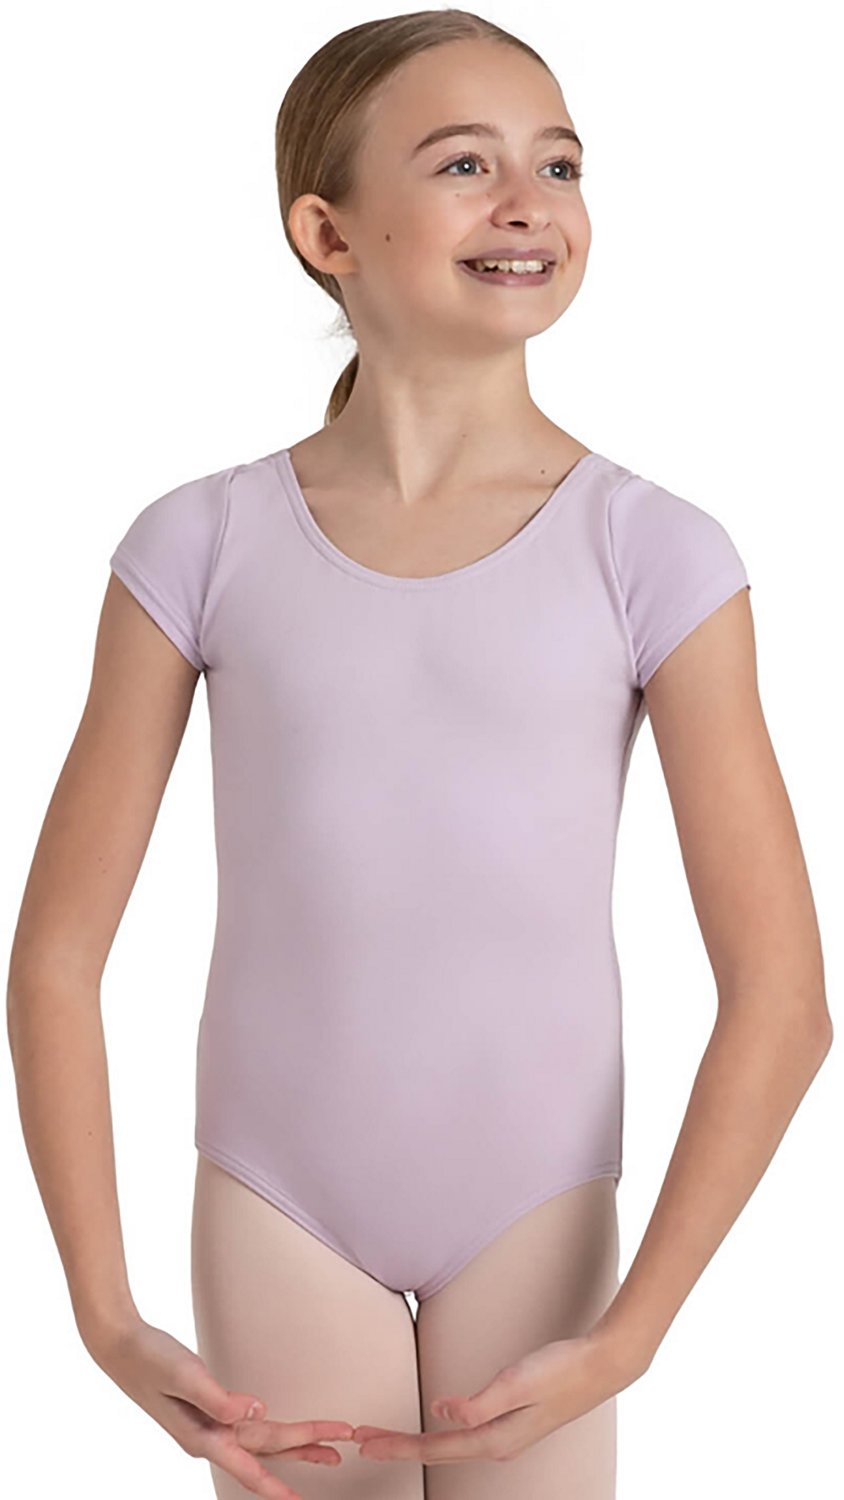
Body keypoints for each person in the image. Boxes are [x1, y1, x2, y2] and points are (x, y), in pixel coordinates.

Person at [6, 9, 833, 1500]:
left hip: (538, 1215)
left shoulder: (654, 552)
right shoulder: (199, 545)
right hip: (282, 1202)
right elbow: (58, 957)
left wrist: (633, 1336)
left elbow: (782, 997)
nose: (528, 203)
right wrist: (102, 1313)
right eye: (465, 165)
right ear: (327, 233)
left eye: (559, 165)